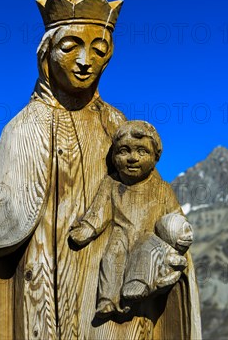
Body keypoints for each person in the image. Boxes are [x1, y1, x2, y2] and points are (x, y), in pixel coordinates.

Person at [0, 0, 201, 340]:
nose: (85, 61)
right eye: (70, 47)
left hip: (105, 280)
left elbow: (149, 194)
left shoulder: (116, 123)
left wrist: (165, 241)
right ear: (47, 51)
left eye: (99, 49)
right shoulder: (26, 126)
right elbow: (1, 206)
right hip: (43, 277)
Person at [69, 121, 194, 320]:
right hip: (121, 233)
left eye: (142, 152)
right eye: (124, 151)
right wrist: (86, 229)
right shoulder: (111, 183)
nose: (132, 158)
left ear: (155, 158)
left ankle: (138, 285)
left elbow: (176, 217)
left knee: (147, 251)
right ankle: (108, 300)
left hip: (150, 239)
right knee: (112, 254)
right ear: (114, 156)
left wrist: (181, 234)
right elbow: (98, 212)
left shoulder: (161, 188)